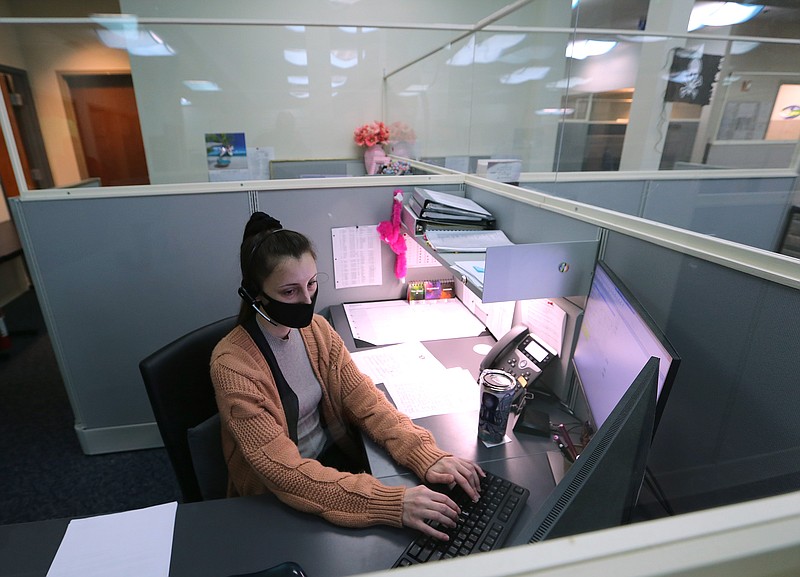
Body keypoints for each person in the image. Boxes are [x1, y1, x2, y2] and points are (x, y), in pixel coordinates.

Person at [210, 211, 485, 540]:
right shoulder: (232, 364)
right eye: (289, 292)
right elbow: (282, 472)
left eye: (311, 284)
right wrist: (390, 503)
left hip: (331, 464)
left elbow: (365, 401)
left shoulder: (318, 331)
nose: (307, 300)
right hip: (275, 500)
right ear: (254, 293)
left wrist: (422, 453)